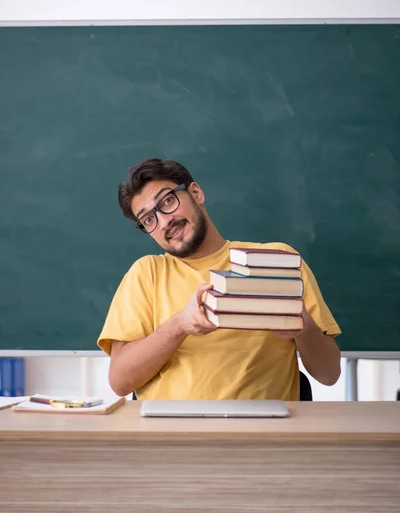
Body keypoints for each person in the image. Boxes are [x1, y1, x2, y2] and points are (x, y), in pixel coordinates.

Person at [98, 158, 341, 400]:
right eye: (148, 219)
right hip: (173, 434)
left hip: (263, 434)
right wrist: (179, 325)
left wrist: (304, 328)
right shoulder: (146, 274)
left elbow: (329, 375)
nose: (164, 221)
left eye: (167, 201)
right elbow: (120, 382)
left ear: (196, 193)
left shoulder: (277, 260)